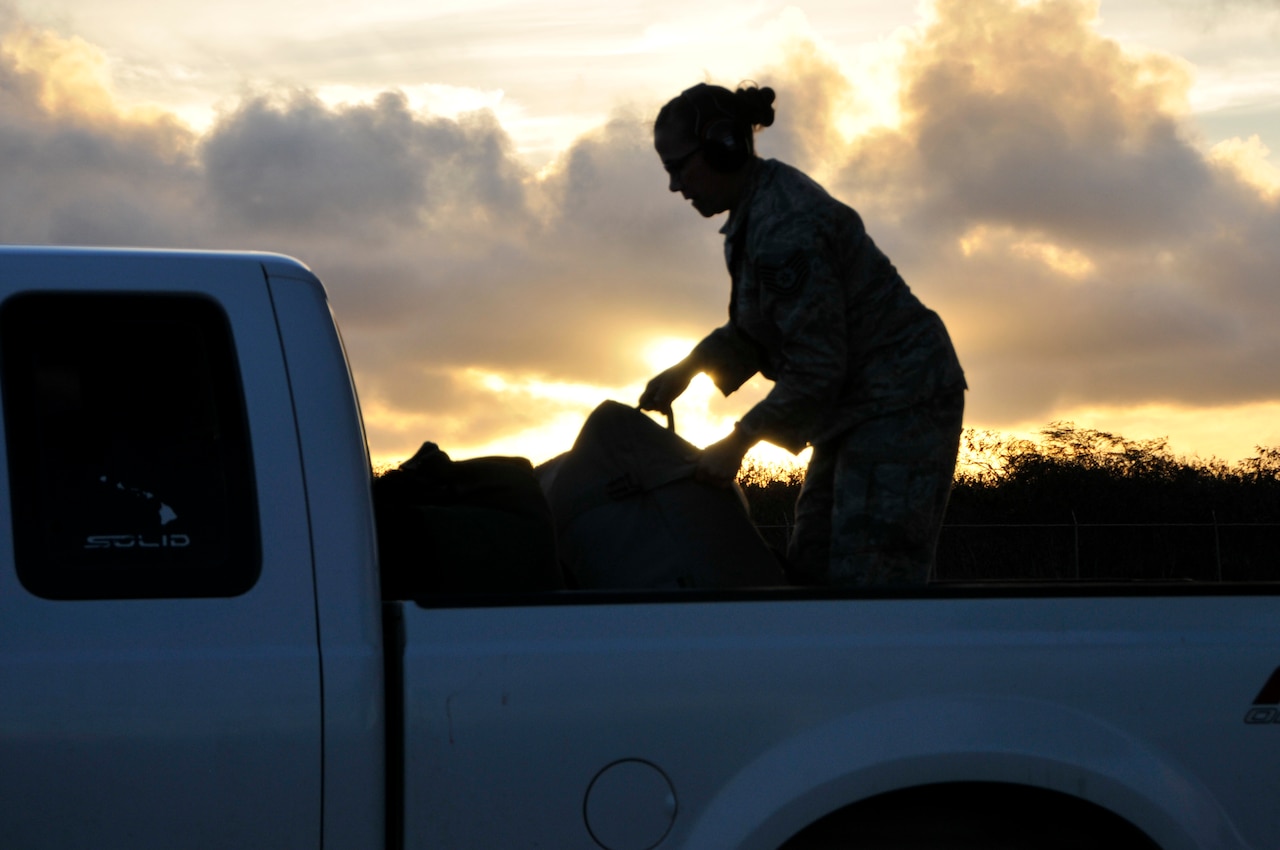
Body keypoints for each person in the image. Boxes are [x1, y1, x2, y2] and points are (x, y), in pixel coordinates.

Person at [638, 82, 966, 587]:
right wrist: (691, 368)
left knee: (872, 579)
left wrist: (738, 442)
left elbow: (817, 365)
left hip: (901, 400)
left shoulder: (786, 226)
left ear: (724, 147)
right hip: (850, 407)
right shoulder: (754, 215)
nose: (675, 186)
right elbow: (756, 328)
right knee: (813, 567)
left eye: (679, 167)